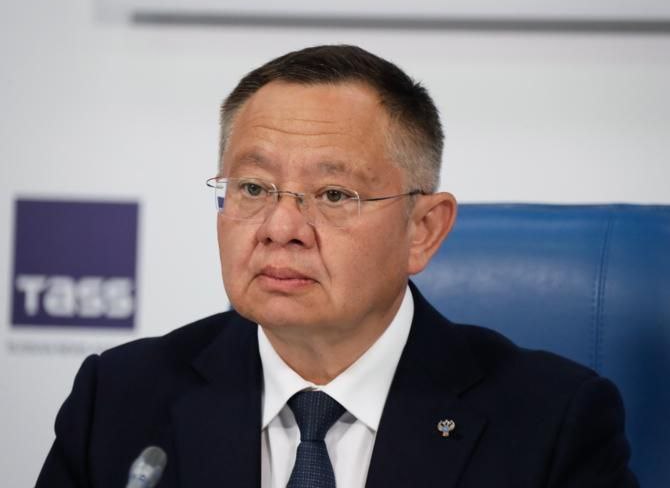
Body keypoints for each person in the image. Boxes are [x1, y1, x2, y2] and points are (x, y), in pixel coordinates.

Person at [36, 45, 638, 487]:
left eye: (332, 195)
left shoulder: (550, 423)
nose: (280, 227)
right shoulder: (119, 400)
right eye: (253, 187)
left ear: (423, 230)